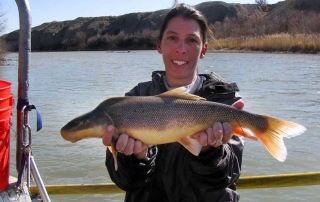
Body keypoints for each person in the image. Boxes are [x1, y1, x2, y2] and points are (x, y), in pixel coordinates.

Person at [102, 3, 245, 202]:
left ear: (203, 50)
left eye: (191, 40)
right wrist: (137, 157)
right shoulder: (135, 98)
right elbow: (125, 181)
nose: (181, 49)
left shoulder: (223, 100)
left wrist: (209, 152)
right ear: (159, 45)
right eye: (172, 38)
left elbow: (228, 176)